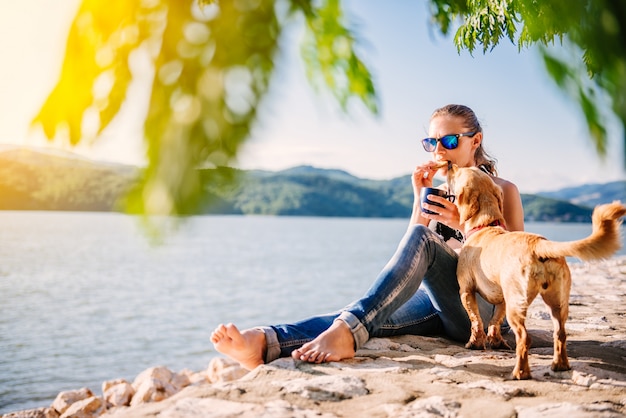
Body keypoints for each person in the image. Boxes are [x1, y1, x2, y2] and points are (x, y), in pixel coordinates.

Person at [210, 104, 525, 370]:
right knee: (364, 314)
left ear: (475, 141)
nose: (440, 150)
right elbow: (414, 253)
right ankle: (265, 342)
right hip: (436, 302)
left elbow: (514, 268)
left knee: (366, 311)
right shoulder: (436, 193)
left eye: (450, 140)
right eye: (432, 143)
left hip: (481, 310)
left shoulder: (503, 190)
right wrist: (419, 198)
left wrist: (466, 222)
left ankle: (346, 334)